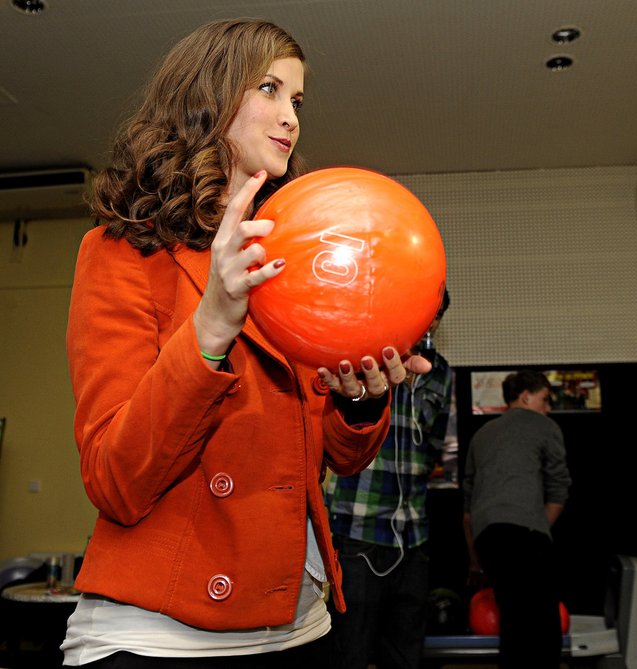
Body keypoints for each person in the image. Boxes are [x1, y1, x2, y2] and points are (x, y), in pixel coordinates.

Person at [60, 18, 432, 668]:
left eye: (298, 100)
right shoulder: (121, 252)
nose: (291, 117)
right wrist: (210, 326)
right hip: (159, 635)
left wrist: (357, 404)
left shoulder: (295, 257)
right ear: (207, 96)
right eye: (269, 89)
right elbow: (116, 480)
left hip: (299, 624)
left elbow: (330, 460)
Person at [323, 291, 453, 669]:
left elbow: (434, 446)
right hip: (356, 529)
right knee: (351, 651)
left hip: (413, 536)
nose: (429, 324)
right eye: (423, 313)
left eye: (436, 317)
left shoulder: (440, 373)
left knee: (405, 653)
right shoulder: (362, 359)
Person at [462, 370, 572, 669]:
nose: (548, 407)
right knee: (543, 623)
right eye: (545, 399)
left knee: (512, 616)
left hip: (487, 537)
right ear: (526, 396)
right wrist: (539, 527)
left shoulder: (481, 434)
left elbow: (468, 506)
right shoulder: (544, 425)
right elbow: (559, 487)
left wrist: (474, 560)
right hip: (526, 532)